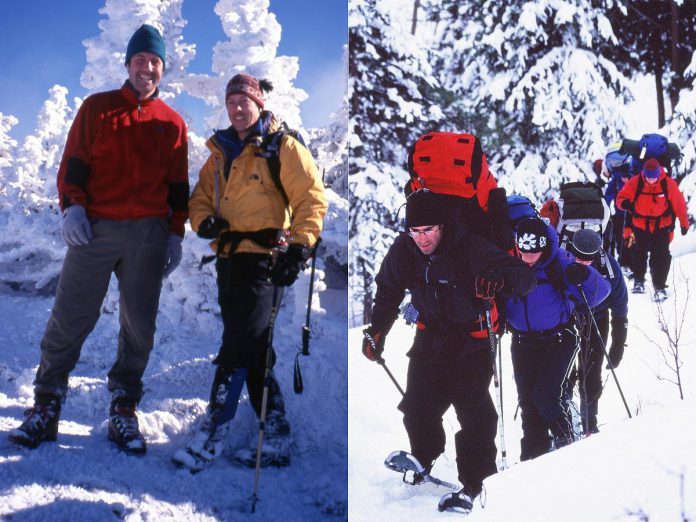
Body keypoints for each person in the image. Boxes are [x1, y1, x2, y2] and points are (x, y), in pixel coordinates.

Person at [8, 24, 189, 454]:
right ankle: (46, 404)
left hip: (148, 233)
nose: (148, 67)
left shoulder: (173, 124)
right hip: (96, 229)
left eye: (155, 62)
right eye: (141, 60)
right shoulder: (97, 108)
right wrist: (72, 206)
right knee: (70, 315)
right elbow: (74, 163)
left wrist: (175, 233)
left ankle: (123, 407)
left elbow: (178, 186)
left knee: (139, 325)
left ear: (162, 70)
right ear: (128, 63)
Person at [361, 189, 536, 510]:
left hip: (473, 339)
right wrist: (377, 332)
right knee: (418, 406)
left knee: (474, 413)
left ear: (443, 226)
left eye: (428, 231)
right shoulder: (404, 249)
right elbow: (387, 290)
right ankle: (423, 456)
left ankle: (478, 482)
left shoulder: (470, 246)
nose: (422, 239)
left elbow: (523, 278)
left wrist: (497, 278)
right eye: (415, 231)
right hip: (431, 336)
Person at [187, 73, 327, 466]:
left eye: (244, 101)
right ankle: (277, 433)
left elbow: (311, 200)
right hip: (230, 260)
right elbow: (198, 200)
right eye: (231, 102)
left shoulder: (281, 146)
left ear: (258, 104)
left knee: (236, 346)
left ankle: (214, 429)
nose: (237, 108)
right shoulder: (219, 153)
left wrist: (299, 249)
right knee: (254, 349)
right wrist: (204, 223)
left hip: (266, 261)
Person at [505, 217, 610, 460]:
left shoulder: (558, 263)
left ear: (544, 246)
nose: (529, 257)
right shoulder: (510, 264)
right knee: (528, 404)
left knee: (546, 396)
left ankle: (567, 444)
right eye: (524, 251)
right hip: (522, 341)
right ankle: (533, 456)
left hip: (559, 339)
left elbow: (600, 292)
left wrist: (582, 274)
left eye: (535, 252)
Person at [565, 229, 628, 435]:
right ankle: (562, 421)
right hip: (564, 319)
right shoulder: (562, 259)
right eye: (578, 257)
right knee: (561, 372)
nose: (582, 262)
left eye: (587, 258)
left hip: (596, 319)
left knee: (591, 373)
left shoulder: (610, 268)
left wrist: (618, 344)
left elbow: (620, 308)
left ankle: (589, 424)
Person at [616, 157, 689, 300]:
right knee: (638, 254)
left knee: (661, 256)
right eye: (648, 177)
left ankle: (659, 286)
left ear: (658, 174)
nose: (650, 180)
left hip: (661, 226)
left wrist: (684, 224)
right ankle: (638, 281)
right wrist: (626, 204)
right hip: (640, 225)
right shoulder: (636, 182)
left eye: (653, 177)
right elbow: (620, 198)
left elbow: (679, 205)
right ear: (644, 174)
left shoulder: (667, 183)